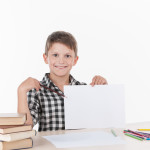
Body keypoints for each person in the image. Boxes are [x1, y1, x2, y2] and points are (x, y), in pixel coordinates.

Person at [17, 31, 107, 131]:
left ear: (75, 60)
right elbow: (25, 127)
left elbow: (101, 118)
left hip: (80, 146)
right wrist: (21, 91)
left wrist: (102, 90)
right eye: (55, 55)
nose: (61, 61)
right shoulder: (37, 90)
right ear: (46, 58)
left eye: (67, 56)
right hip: (50, 146)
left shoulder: (84, 89)